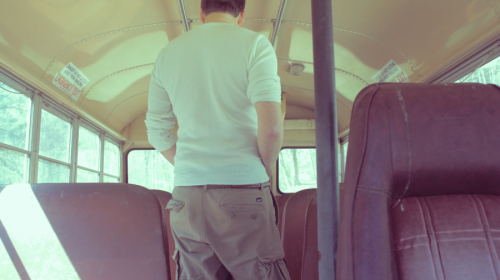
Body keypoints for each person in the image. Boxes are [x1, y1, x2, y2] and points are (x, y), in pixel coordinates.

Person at [145, 0, 290, 279]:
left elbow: (156, 131)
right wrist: (264, 170)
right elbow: (271, 129)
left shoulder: (168, 54)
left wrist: (189, 166)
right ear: (241, 15)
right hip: (244, 188)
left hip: (186, 198)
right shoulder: (255, 45)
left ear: (201, 12)